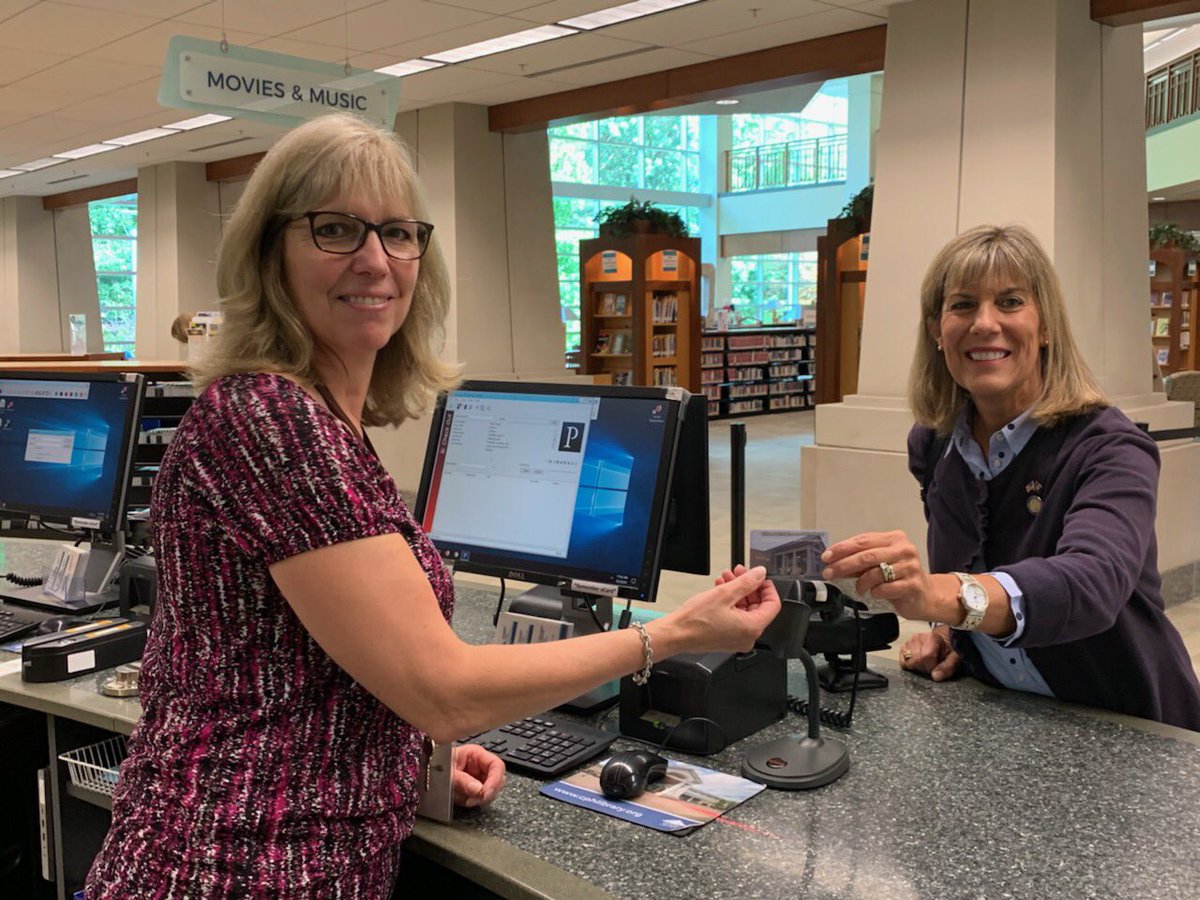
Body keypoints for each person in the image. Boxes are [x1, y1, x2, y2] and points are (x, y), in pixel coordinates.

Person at [84, 113, 781, 899]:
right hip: (237, 867)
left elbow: (294, 671)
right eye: (336, 229)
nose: (375, 261)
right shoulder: (273, 425)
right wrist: (676, 634)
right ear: (270, 251)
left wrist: (405, 759)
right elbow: (443, 689)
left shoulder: (313, 416)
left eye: (398, 233)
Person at [820, 224, 1200, 731]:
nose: (984, 324)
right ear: (937, 329)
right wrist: (953, 633)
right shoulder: (933, 446)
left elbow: (1093, 583)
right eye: (962, 305)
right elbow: (973, 562)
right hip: (1002, 717)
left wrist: (941, 597)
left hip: (1128, 728)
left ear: (1045, 327)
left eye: (1010, 302)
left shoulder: (1111, 447)